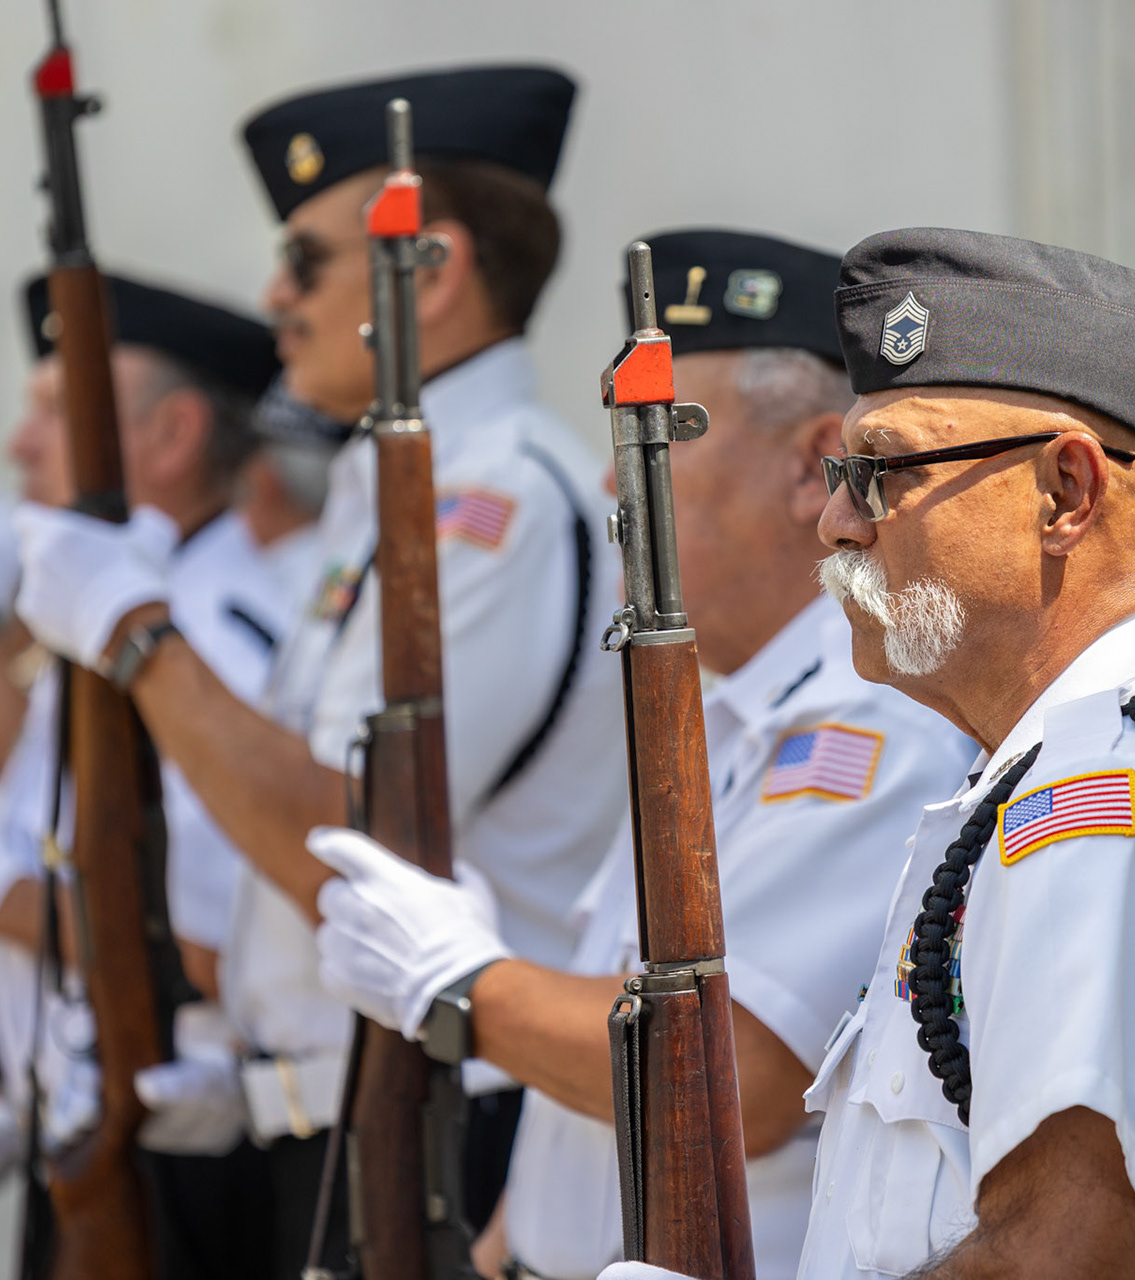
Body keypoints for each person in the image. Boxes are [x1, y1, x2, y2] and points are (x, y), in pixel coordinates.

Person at [606, 227, 1135, 1280]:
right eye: (835, 473)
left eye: (878, 475)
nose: (832, 522)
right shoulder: (1044, 773)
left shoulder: (1108, 799)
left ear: (1066, 493)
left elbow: (1055, 1256)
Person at [12, 64, 626, 1232]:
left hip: (451, 1120)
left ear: (429, 270)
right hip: (351, 1113)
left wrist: (139, 636)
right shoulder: (401, 487)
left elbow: (348, 841)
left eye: (305, 260)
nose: (273, 295)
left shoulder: (497, 499)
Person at [305, 229, 980, 1280]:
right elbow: (597, 1110)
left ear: (812, 465)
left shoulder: (874, 729)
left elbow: (737, 1075)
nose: (622, 493)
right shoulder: (716, 709)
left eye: (660, 441)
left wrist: (464, 985)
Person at [0, 275, 335, 1279]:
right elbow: (51, 797)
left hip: (177, 1158)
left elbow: (204, 947)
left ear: (170, 436)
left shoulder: (207, 642)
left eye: (54, 410)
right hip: (87, 1127)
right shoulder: (119, 620)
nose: (21, 445)